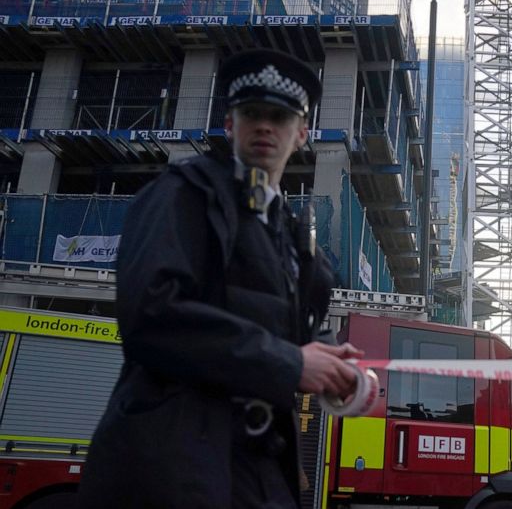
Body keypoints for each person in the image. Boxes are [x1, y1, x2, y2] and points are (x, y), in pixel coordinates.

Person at [78, 48, 363, 508]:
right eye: (251, 113)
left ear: (302, 133)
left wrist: (325, 368)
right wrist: (290, 363)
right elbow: (150, 315)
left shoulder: (290, 233)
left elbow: (273, 338)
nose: (265, 126)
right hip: (175, 461)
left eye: (280, 116)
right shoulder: (182, 195)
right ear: (229, 124)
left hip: (260, 460)